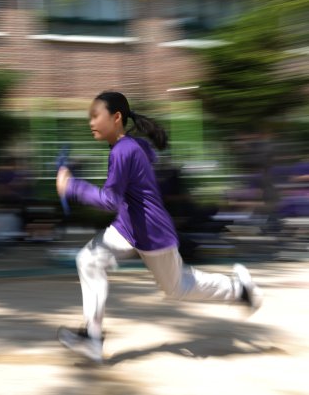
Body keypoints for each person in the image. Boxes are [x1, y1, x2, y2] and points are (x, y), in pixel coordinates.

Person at [56, 91, 263, 363]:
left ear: (116, 117)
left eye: (96, 115)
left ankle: (241, 291)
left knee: (177, 288)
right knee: (89, 260)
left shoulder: (123, 150)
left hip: (152, 231)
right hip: (129, 226)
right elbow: (141, 166)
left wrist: (71, 186)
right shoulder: (130, 146)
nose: (90, 122)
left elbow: (110, 200)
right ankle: (92, 337)